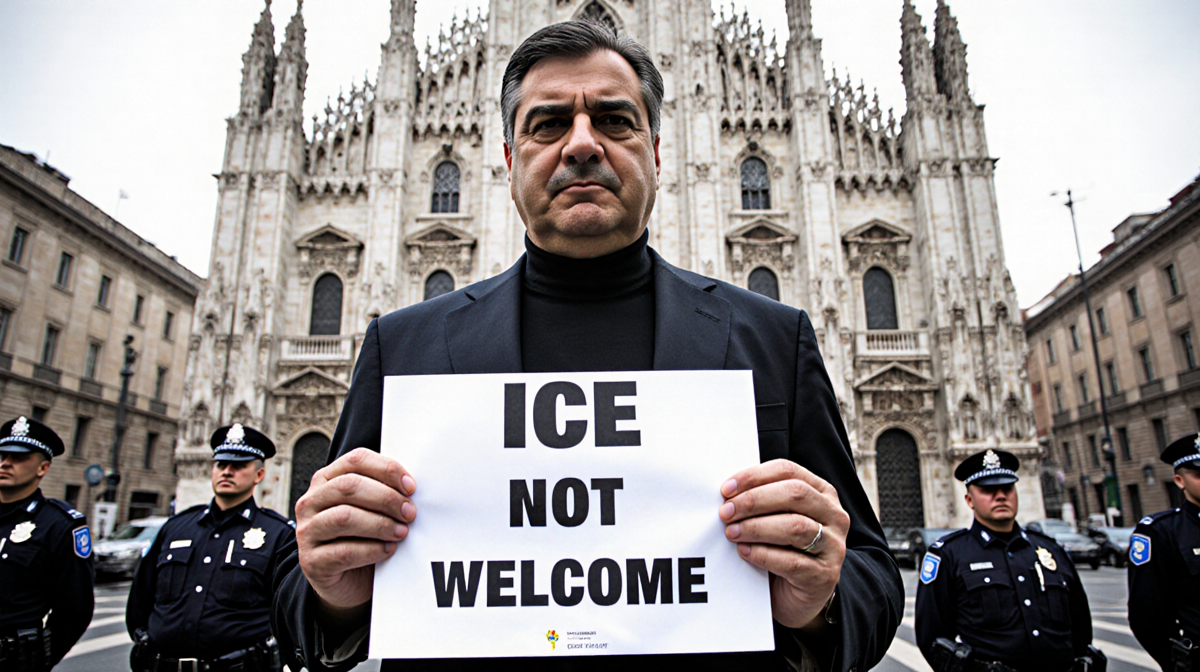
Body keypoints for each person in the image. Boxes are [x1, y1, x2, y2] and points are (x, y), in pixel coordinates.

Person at [272, 20, 902, 672]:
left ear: (656, 154)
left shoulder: (772, 340)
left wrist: (817, 600)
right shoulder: (404, 350)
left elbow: (872, 581)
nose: (581, 144)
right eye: (548, 124)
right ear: (508, 162)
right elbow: (296, 603)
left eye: (613, 121)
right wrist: (334, 594)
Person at [127, 424, 295, 671]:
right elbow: (140, 600)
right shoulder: (176, 527)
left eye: (238, 466)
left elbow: (289, 612)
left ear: (259, 475)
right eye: (221, 464)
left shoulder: (278, 534)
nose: (227, 471)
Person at [915, 449, 1102, 672]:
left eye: (1007, 488)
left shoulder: (1051, 550)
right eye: (988, 490)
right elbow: (933, 640)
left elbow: (1081, 629)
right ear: (969, 500)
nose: (1000, 496)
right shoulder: (950, 555)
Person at [0, 416, 95, 672]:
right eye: (2, 455)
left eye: (18, 457)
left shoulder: (59, 525)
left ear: (42, 468)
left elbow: (75, 609)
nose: (5, 463)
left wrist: (36, 660)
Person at [1128, 433, 1200, 670]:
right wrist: (1179, 665)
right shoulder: (1161, 532)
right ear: (1180, 481)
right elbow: (1146, 615)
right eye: (1198, 475)